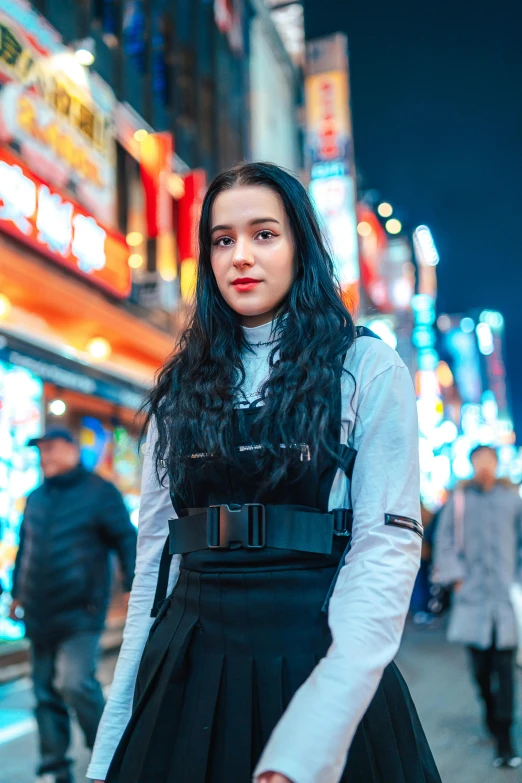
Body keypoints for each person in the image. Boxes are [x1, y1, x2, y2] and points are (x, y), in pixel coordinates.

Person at [88, 162, 440, 783]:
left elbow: (383, 550)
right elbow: (154, 569)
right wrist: (108, 753)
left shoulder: (366, 367)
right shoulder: (180, 390)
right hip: (189, 667)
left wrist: (312, 737)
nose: (240, 257)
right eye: (222, 240)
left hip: (314, 654)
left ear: (301, 244)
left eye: (264, 234)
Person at [10, 427, 137, 783]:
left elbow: (127, 538)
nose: (44, 457)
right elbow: (25, 548)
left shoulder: (100, 492)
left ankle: (111, 759)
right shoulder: (36, 497)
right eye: (40, 451)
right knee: (44, 692)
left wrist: (132, 585)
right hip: (38, 612)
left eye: (51, 449)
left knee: (75, 683)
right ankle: (54, 768)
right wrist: (17, 593)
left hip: (82, 612)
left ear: (71, 450)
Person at [434, 444, 522, 769]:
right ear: (472, 464)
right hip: (472, 601)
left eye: (490, 460)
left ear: (497, 464)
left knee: (506, 672)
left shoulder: (513, 501)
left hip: (505, 601)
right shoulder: (458, 501)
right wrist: (455, 577)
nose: (484, 466)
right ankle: (490, 715)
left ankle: (505, 739)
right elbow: (442, 541)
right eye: (479, 460)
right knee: (480, 672)